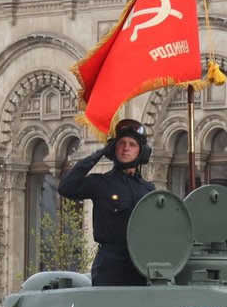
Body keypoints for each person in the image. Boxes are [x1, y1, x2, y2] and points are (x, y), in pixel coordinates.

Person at [58, 118, 157, 286]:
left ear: (142, 152)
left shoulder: (148, 190)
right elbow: (66, 187)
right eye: (121, 143)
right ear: (113, 148)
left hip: (141, 264)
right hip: (111, 266)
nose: (126, 148)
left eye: (132, 144)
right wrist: (97, 154)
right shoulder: (100, 183)